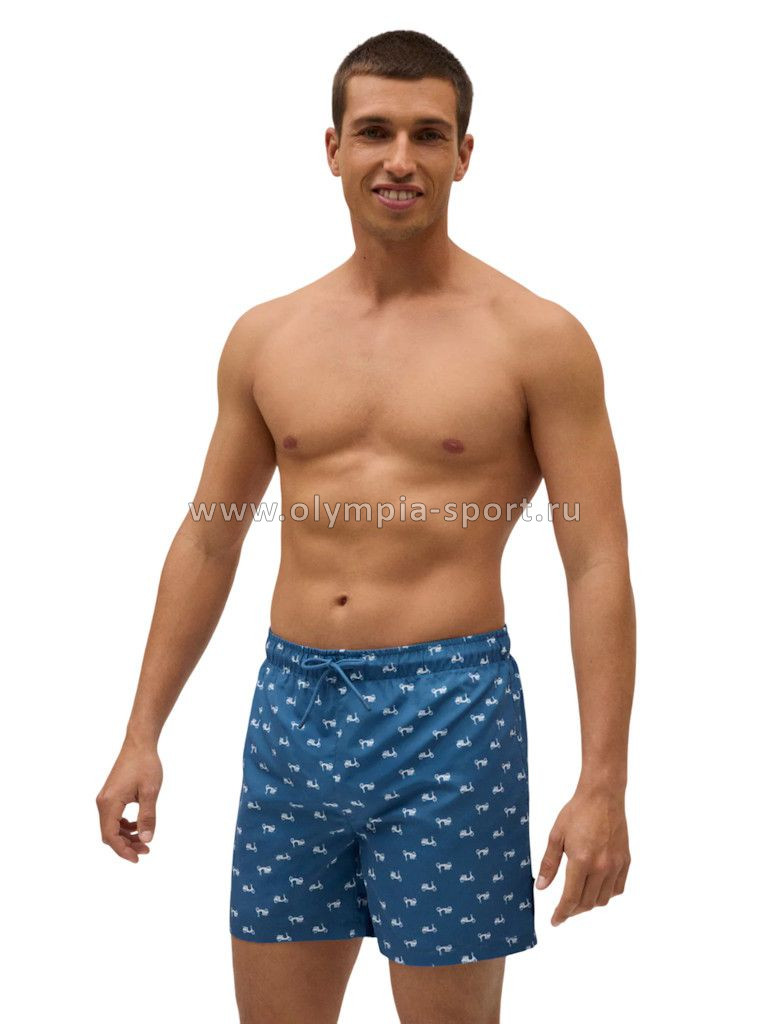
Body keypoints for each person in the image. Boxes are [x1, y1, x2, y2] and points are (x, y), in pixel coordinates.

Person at [96, 28, 635, 1024]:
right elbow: (211, 536)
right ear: (333, 147)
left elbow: (595, 560)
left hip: (451, 717)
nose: (400, 159)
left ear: (464, 155)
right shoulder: (267, 336)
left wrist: (603, 782)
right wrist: (142, 732)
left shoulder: (536, 339)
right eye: (376, 131)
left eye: (428, 135)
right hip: (290, 712)